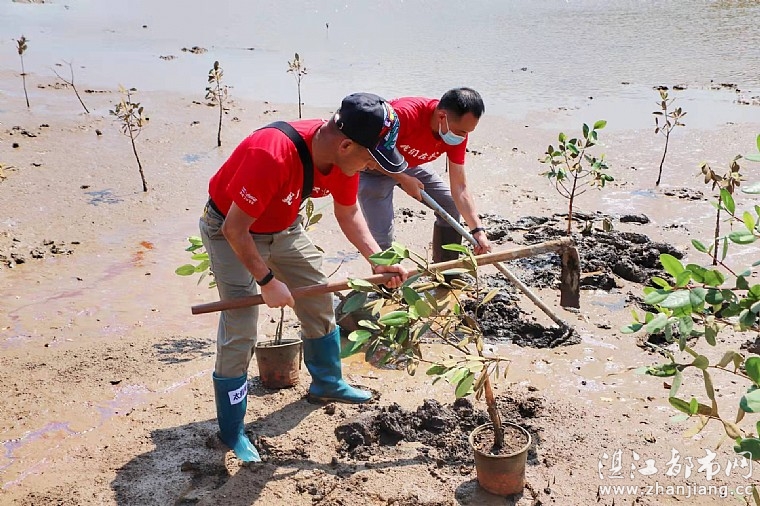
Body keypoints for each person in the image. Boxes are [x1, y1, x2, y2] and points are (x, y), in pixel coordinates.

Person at [199, 93, 410, 462]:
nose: (371, 167)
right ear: (346, 145)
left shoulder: (343, 161)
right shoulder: (271, 154)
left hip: (284, 227)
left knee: (317, 297)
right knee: (241, 326)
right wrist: (267, 281)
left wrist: (378, 261)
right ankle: (232, 430)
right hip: (230, 230)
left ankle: (328, 383)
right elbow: (235, 228)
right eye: (370, 159)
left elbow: (348, 212)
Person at [358, 87, 492, 266]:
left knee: (450, 206)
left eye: (467, 132)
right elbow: (364, 151)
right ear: (442, 116)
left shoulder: (457, 133)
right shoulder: (403, 114)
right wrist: (402, 178)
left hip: (408, 164)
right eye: (461, 132)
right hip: (373, 168)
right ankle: (389, 281)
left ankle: (445, 271)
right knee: (382, 238)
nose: (463, 137)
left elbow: (460, 187)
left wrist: (478, 230)